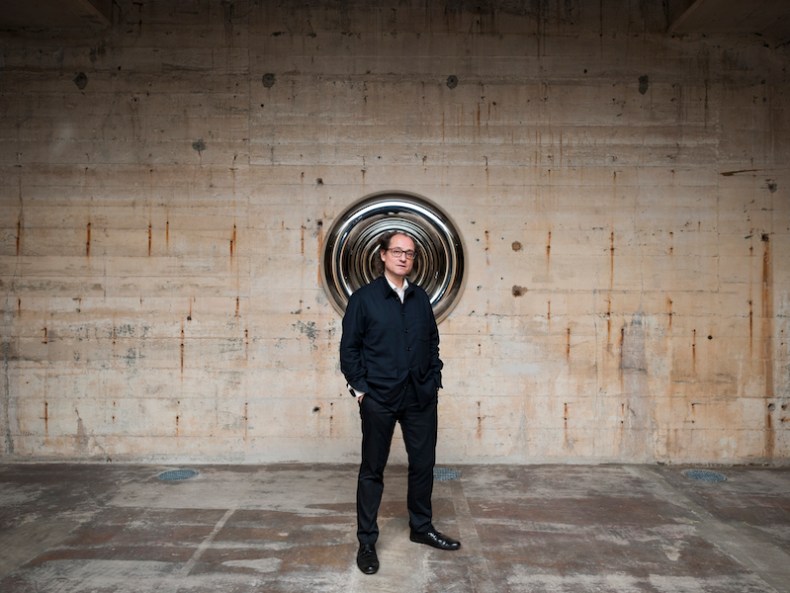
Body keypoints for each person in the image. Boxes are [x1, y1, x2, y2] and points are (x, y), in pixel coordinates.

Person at [339, 230, 461, 575]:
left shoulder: (421, 298)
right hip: (379, 397)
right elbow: (349, 349)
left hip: (420, 395)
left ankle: (421, 528)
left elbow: (432, 342)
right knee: (372, 470)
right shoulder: (363, 299)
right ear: (382, 255)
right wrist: (361, 391)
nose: (403, 257)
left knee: (423, 465)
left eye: (409, 253)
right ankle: (366, 541)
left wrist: (434, 378)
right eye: (397, 251)